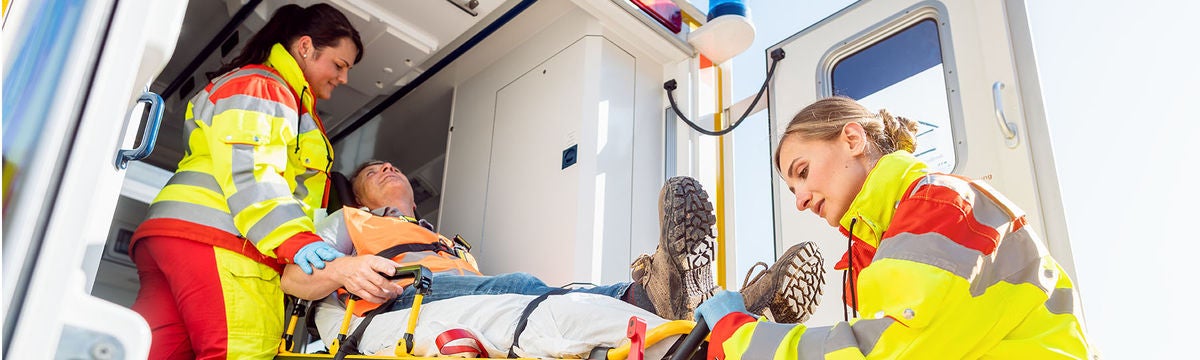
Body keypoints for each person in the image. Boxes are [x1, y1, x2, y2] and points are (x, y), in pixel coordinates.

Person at [693, 97, 1093, 359]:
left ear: (852, 139)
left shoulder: (940, 206)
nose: (799, 200)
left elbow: (883, 351)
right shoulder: (881, 249)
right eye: (792, 189)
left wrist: (740, 337)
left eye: (803, 172)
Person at [281, 160, 826, 324]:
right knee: (525, 288)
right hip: (403, 298)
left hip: (456, 295)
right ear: (360, 191)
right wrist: (341, 272)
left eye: (393, 164)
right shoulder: (347, 221)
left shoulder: (447, 240)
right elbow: (293, 276)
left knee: (549, 293)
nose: (389, 167)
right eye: (376, 169)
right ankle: (680, 294)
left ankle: (708, 300)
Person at [128, 4, 363, 359]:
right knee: (243, 352)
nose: (343, 78)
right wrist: (294, 240)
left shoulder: (254, 86)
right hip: (221, 243)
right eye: (339, 65)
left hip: (174, 238)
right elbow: (252, 170)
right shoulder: (263, 87)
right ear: (304, 47)